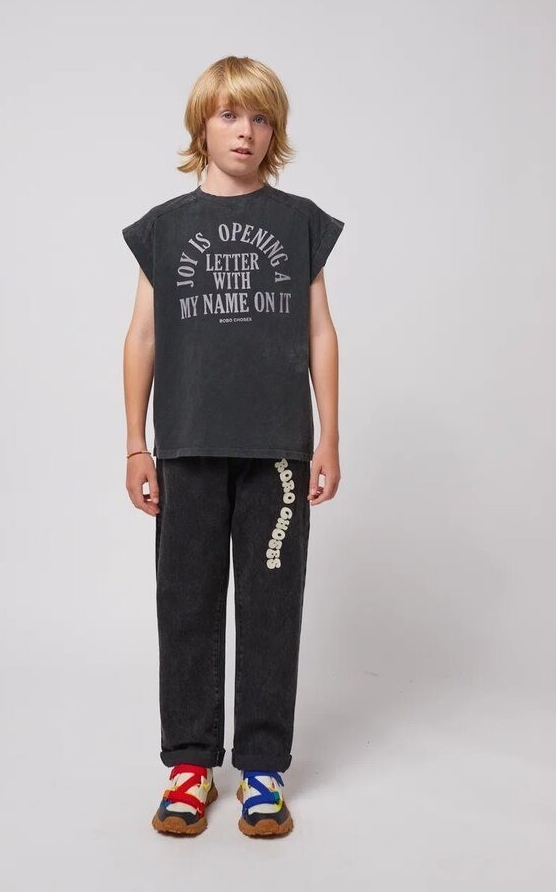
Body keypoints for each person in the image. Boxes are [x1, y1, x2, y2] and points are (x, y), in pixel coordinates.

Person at [121, 55, 344, 838]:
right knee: (184, 602)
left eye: (260, 118)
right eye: (228, 115)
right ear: (201, 126)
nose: (244, 131)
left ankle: (261, 766)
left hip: (277, 448)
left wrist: (328, 436)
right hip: (185, 446)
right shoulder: (163, 228)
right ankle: (189, 764)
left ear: (273, 132)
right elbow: (142, 336)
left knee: (270, 606)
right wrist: (135, 444)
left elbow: (320, 331)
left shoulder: (300, 221)